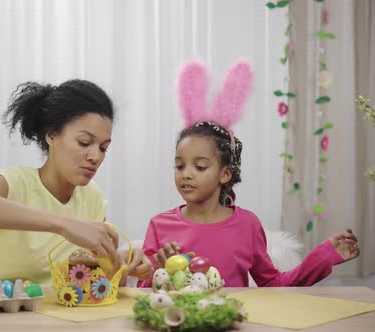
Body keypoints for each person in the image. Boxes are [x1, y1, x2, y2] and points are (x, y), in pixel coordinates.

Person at [140, 60, 359, 287]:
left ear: (225, 174)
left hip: (234, 322)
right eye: (179, 166)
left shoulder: (248, 225)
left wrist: (323, 257)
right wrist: (159, 269)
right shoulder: (159, 225)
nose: (186, 174)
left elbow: (273, 284)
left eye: (200, 166)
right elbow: (142, 292)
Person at [0, 79, 153, 286]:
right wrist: (65, 225)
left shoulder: (92, 197)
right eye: (84, 142)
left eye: (103, 147)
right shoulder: (14, 182)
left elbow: (94, 283)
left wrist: (120, 265)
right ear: (52, 135)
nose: (95, 156)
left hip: (57, 313)